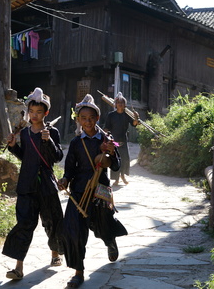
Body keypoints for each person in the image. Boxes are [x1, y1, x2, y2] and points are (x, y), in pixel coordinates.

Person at [58, 94, 128, 288]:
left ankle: (110, 240)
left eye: (91, 118)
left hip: (100, 190)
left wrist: (111, 153)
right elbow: (69, 169)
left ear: (97, 118)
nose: (87, 122)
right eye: (83, 118)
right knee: (74, 229)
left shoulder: (107, 139)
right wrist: (64, 180)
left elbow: (116, 167)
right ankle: (78, 272)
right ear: (78, 120)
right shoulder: (75, 143)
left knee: (103, 224)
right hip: (79, 191)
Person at [2, 87, 64, 280]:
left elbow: (57, 157)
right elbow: (25, 157)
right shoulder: (26, 133)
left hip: (46, 185)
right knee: (24, 224)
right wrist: (13, 147)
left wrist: (49, 142)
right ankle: (18, 267)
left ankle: (55, 254)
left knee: (52, 221)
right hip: (26, 185)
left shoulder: (51, 132)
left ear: (46, 113)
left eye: (39, 112)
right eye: (32, 112)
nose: (34, 115)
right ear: (28, 112)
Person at [104, 92, 139, 185]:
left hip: (123, 141)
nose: (120, 104)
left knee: (125, 159)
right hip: (114, 141)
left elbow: (134, 123)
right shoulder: (111, 115)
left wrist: (136, 117)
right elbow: (106, 127)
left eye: (122, 102)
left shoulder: (127, 115)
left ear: (125, 105)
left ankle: (122, 176)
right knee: (115, 159)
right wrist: (105, 134)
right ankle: (116, 179)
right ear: (115, 104)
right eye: (118, 102)